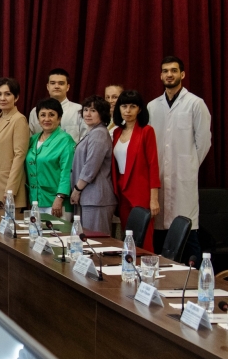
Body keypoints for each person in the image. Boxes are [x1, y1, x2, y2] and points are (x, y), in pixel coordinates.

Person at [147, 56, 211, 259]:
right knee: (160, 234)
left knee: (187, 232)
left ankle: (194, 275)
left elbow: (204, 142)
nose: (169, 74)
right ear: (160, 75)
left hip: (184, 177)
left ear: (182, 74)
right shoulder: (152, 106)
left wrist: (189, 164)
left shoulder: (195, 104)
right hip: (159, 176)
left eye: (174, 71)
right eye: (165, 71)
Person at [112, 90, 161, 252]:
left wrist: (154, 199)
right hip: (122, 189)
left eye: (132, 106)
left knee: (144, 238)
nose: (128, 110)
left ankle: (148, 266)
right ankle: (129, 266)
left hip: (141, 190)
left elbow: (153, 165)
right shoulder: (117, 132)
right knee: (128, 236)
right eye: (124, 106)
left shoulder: (146, 131)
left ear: (139, 109)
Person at [70, 96, 118, 235]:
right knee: (85, 240)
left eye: (93, 110)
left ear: (102, 113)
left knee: (96, 241)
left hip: (97, 199)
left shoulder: (99, 134)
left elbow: (91, 166)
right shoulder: (92, 132)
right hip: (89, 197)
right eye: (85, 110)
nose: (88, 114)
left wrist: (77, 189)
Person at [25, 98, 76, 220]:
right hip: (35, 201)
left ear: (59, 118)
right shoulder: (33, 139)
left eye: (51, 115)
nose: (46, 119)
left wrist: (59, 197)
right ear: (38, 119)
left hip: (57, 203)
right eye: (42, 115)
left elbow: (67, 171)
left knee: (56, 233)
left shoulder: (65, 140)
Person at [0, 77, 28, 211]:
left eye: (7, 94)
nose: (2, 98)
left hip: (8, 187)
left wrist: (10, 189)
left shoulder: (19, 120)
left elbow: (19, 156)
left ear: (16, 97)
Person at [27, 68, 87, 143]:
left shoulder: (79, 110)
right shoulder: (35, 111)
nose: (56, 86)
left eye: (61, 83)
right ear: (47, 86)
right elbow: (31, 139)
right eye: (52, 83)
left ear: (68, 87)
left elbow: (86, 139)